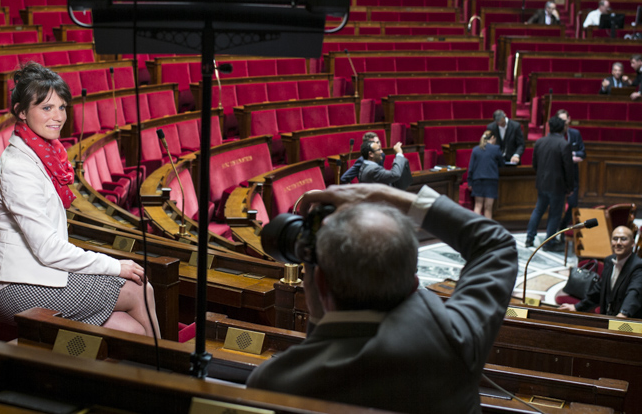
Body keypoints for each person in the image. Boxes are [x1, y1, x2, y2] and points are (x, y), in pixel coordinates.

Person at [246, 183, 517, 414]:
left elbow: (323, 357)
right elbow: (496, 245)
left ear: (320, 284)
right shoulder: (453, 341)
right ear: (414, 282)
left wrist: (319, 315)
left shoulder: (274, 383)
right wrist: (385, 194)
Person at [0, 62, 160, 335]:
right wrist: (113, 266)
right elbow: (48, 249)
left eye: (61, 107)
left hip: (38, 274)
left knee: (130, 330)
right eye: (46, 108)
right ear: (22, 112)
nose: (58, 117)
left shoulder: (44, 153)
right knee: (139, 289)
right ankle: (168, 373)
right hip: (15, 287)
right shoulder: (18, 166)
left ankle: (143, 372)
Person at [560, 226, 642, 319]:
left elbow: (635, 293)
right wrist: (576, 307)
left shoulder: (640, 268)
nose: (618, 243)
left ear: (632, 243)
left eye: (623, 239)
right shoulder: (609, 261)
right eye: (615, 239)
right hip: (608, 318)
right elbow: (599, 290)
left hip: (629, 324)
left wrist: (623, 314)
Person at [525, 116, 574, 250]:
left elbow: (534, 164)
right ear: (561, 128)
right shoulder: (564, 144)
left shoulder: (540, 142)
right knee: (555, 214)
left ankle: (529, 237)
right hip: (558, 186)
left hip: (542, 183)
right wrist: (570, 187)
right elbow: (568, 168)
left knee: (538, 210)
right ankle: (549, 243)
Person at [556, 109, 586, 218]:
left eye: (565, 120)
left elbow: (583, 152)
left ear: (569, 119)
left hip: (572, 175)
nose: (564, 123)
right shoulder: (555, 135)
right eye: (561, 120)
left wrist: (573, 153)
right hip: (559, 175)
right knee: (558, 205)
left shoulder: (575, 133)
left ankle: (564, 227)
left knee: (573, 204)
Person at [467, 130, 502, 219]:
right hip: (491, 180)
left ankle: (475, 229)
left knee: (478, 206)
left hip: (477, 180)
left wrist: (470, 182)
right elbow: (502, 163)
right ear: (493, 138)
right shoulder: (496, 149)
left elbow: (471, 168)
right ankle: (487, 231)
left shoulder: (475, 150)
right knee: (488, 207)